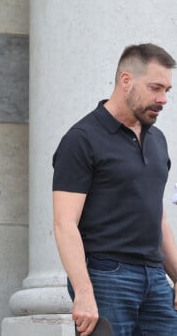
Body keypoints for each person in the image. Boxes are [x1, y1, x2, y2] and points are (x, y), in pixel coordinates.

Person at [52, 43, 177, 336]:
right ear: (126, 80)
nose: (163, 99)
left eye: (167, 91)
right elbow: (64, 223)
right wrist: (83, 292)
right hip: (107, 276)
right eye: (155, 88)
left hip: (156, 279)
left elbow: (157, 218)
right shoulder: (82, 139)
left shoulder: (158, 140)